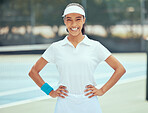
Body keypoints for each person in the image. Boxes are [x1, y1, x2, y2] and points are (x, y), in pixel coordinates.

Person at [28, 3, 126, 113]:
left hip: (90, 102)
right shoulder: (56, 47)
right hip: (64, 104)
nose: (74, 24)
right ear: (64, 21)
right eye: (69, 19)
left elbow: (120, 69)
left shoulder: (95, 46)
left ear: (83, 20)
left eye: (78, 19)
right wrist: (50, 92)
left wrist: (102, 90)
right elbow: (33, 72)